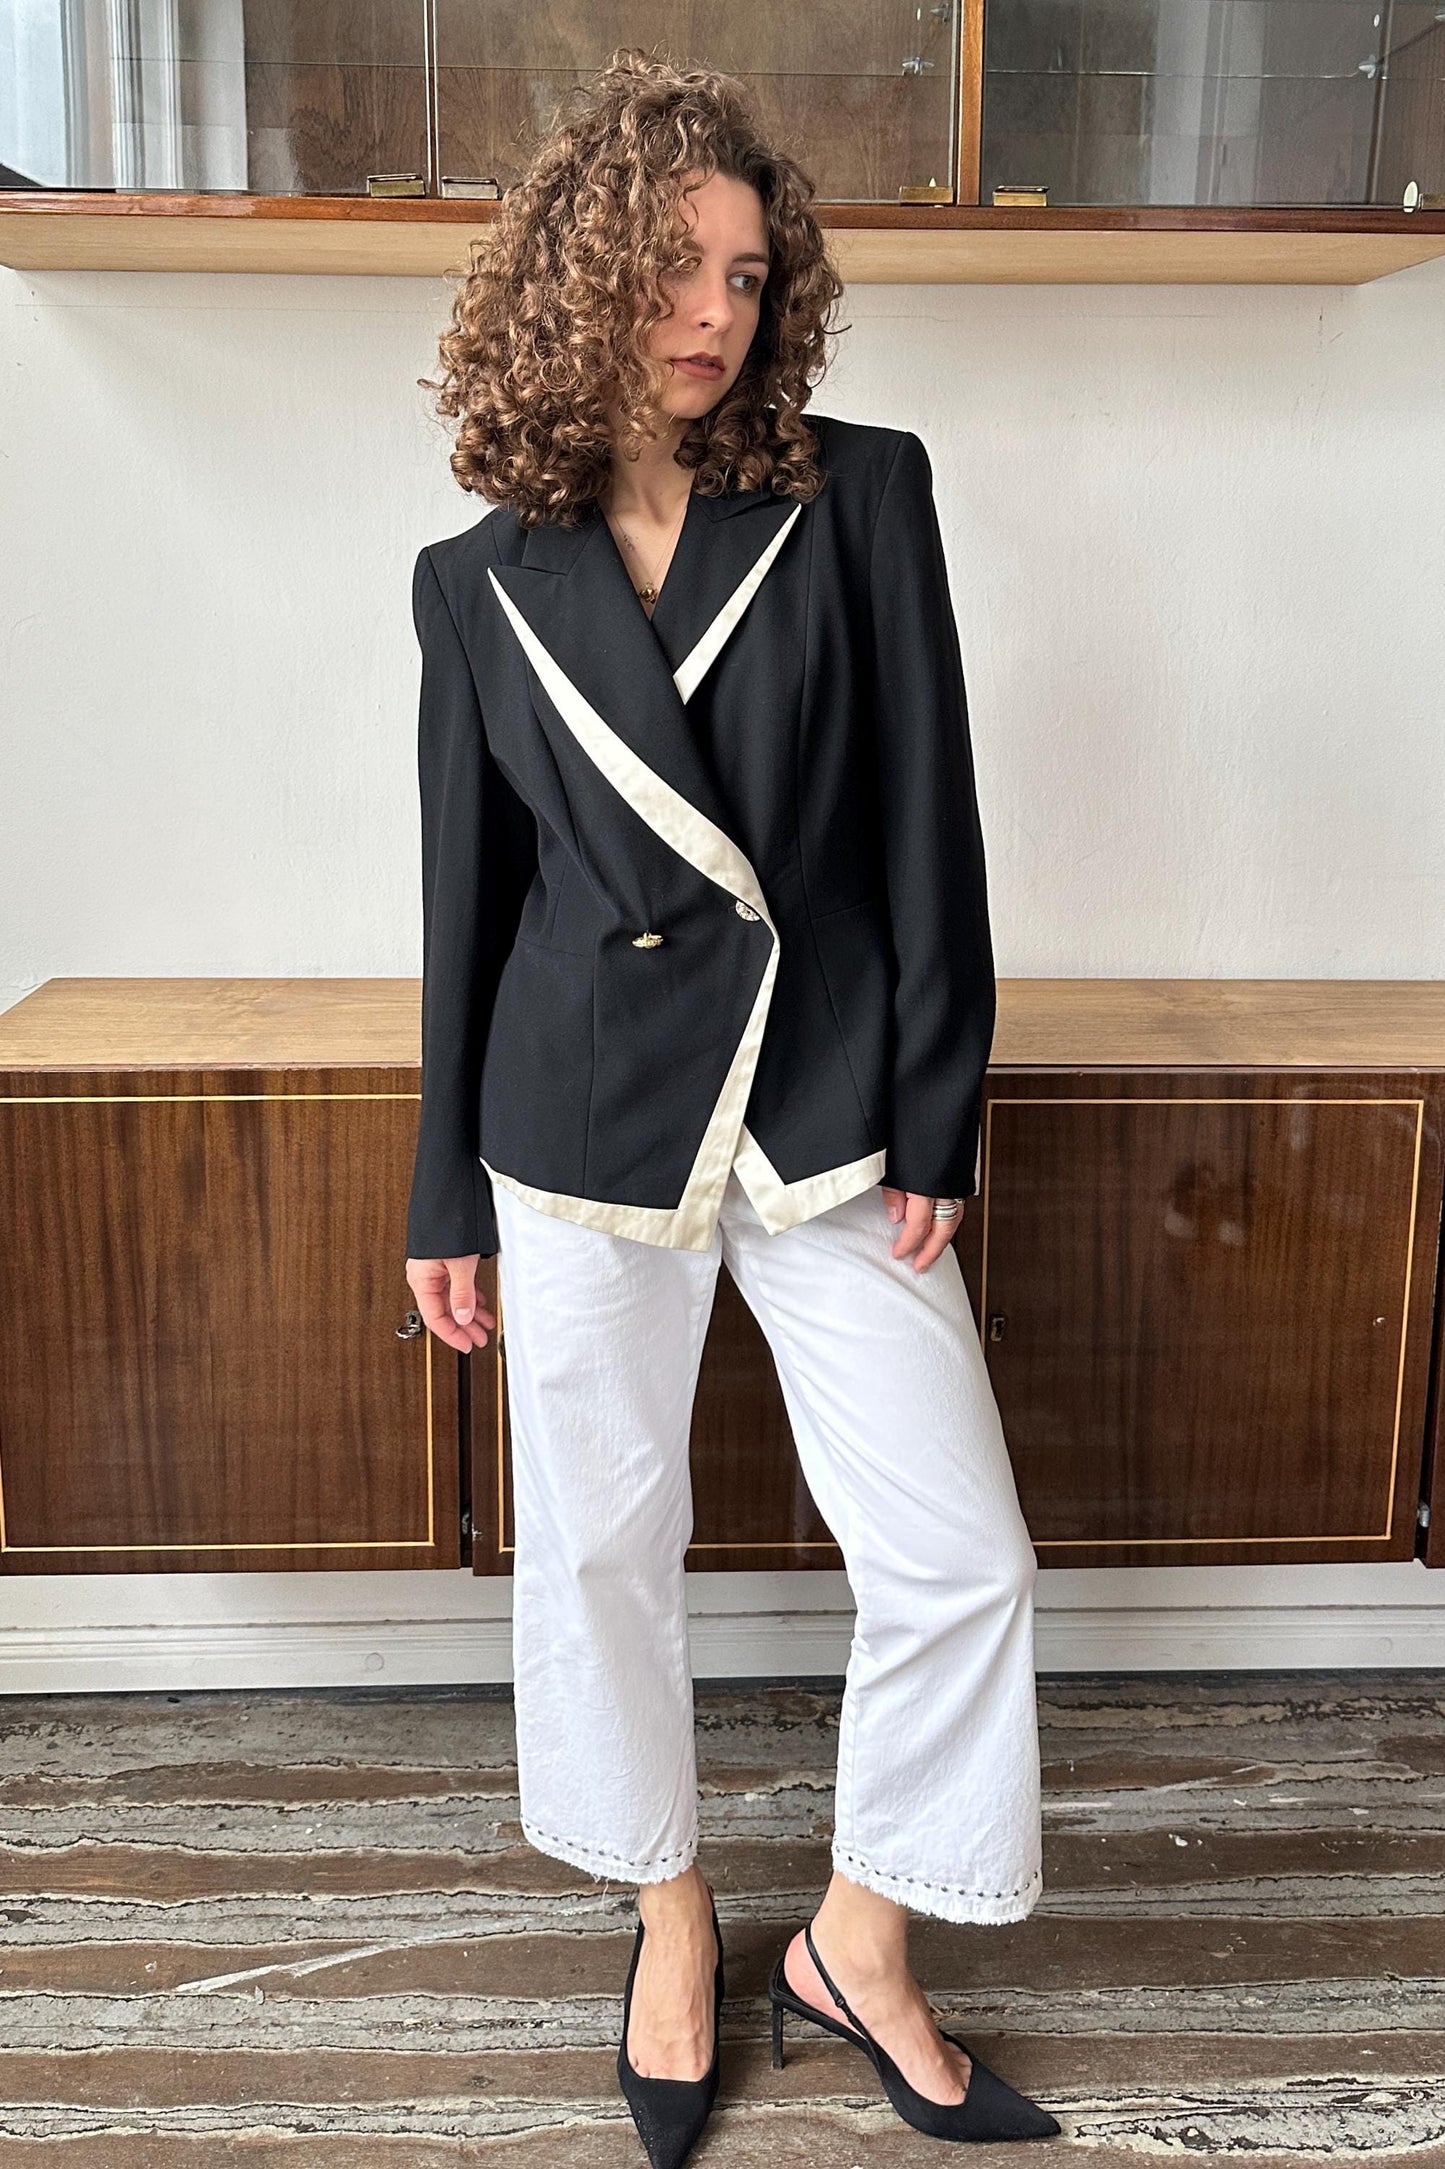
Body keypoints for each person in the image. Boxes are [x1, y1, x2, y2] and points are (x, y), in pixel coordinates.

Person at [403, 48, 1061, 2166]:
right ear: (581, 275)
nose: (716, 314)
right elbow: (469, 902)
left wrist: (939, 1115)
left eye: (751, 276)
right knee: (601, 1552)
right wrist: (445, 1184)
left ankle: (858, 1934)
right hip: (576, 1120)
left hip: (826, 1098)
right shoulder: (476, 580)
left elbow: (926, 831)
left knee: (958, 1554)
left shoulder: (860, 494)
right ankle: (671, 1917)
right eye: (674, 270)